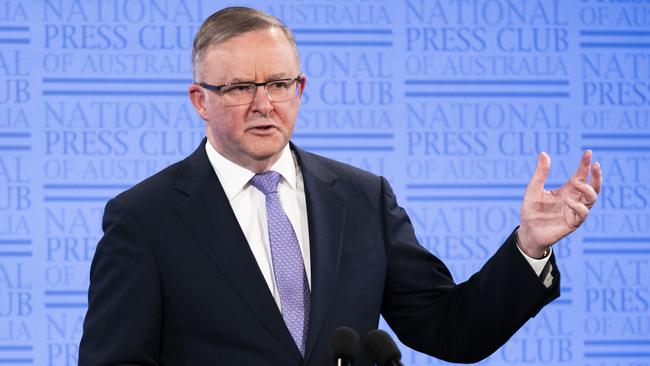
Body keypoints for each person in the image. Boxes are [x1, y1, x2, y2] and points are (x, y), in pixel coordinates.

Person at [78, 6, 602, 366]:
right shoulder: (144, 218)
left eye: (280, 83)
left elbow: (450, 328)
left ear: (300, 88)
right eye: (240, 87)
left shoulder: (362, 197)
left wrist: (529, 246)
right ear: (200, 100)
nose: (265, 103)